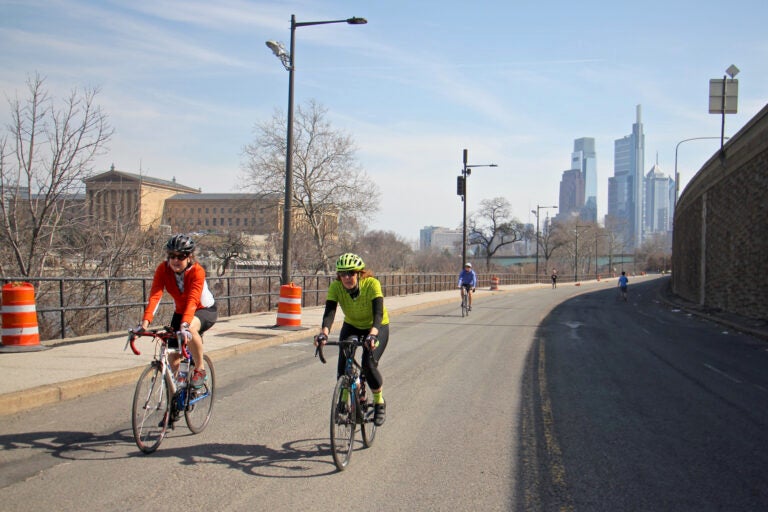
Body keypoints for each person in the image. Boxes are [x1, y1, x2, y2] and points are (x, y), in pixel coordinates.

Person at [314, 253, 390, 426]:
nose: (347, 277)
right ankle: (343, 403)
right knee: (343, 363)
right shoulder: (336, 287)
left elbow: (378, 313)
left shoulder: (372, 284)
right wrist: (323, 333)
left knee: (368, 364)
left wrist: (373, 334)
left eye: (351, 273)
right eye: (343, 274)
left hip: (376, 325)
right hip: (353, 325)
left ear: (359, 273)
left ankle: (379, 402)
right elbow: (330, 312)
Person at [139, 234, 217, 389]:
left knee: (190, 329)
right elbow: (155, 295)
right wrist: (144, 324)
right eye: (172, 256)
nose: (175, 260)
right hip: (181, 312)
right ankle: (177, 393)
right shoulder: (163, 269)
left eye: (181, 256)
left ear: (189, 257)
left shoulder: (197, 272)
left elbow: (193, 300)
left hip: (203, 309)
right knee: (173, 354)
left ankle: (200, 369)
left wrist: (185, 324)